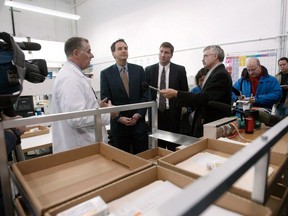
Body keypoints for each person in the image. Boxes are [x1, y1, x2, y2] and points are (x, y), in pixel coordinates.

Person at [51, 37, 111, 153]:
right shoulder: (70, 78)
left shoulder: (74, 75)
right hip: (79, 148)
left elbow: (77, 109)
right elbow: (77, 118)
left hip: (84, 146)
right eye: (88, 51)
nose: (92, 55)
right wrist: (108, 113)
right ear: (76, 53)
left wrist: (96, 106)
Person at [160, 45, 232, 138]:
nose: (203, 60)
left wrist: (176, 93)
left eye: (205, 56)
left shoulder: (220, 74)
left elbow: (204, 98)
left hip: (212, 122)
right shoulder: (215, 72)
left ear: (215, 57)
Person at [100, 39, 148, 154]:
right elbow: (106, 100)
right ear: (113, 54)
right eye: (120, 49)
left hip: (139, 125)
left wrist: (139, 114)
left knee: (143, 158)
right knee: (123, 160)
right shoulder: (106, 73)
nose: (124, 51)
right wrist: (119, 118)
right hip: (119, 127)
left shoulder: (139, 70)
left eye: (125, 48)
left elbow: (146, 95)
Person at [145, 42, 188, 150]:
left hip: (172, 113)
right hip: (156, 113)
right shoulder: (149, 70)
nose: (163, 55)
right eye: (161, 51)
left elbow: (184, 92)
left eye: (166, 52)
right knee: (158, 146)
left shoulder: (180, 70)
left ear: (171, 55)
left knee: (173, 146)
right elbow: (145, 92)